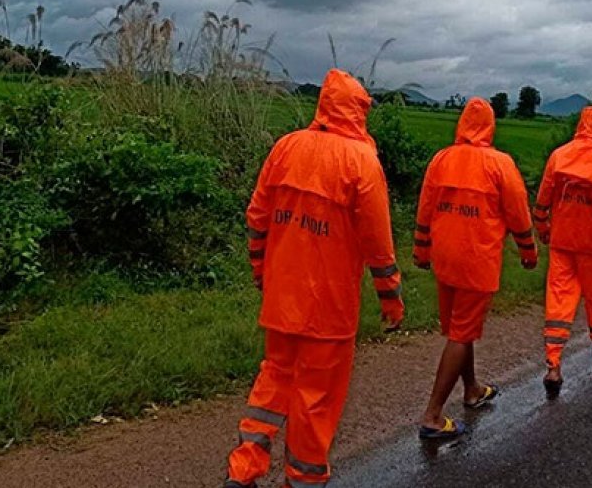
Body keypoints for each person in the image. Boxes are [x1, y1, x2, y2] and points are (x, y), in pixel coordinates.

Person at [224, 69, 404, 488]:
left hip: (282, 297)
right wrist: (390, 297)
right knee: (315, 400)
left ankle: (244, 468)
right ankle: (303, 480)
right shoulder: (362, 162)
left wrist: (259, 272)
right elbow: (378, 244)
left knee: (273, 380)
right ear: (358, 111)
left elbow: (257, 218)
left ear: (323, 104)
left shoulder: (285, 148)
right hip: (329, 308)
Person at [413, 98, 537, 440]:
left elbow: (426, 206)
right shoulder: (499, 164)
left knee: (459, 328)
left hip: (445, 256)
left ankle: (472, 389)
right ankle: (433, 415)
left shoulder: (442, 159)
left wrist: (421, 249)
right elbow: (517, 213)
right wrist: (528, 250)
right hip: (476, 260)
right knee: (461, 333)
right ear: (490, 126)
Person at [533, 106, 592, 398]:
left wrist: (543, 228)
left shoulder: (560, 155)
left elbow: (543, 197)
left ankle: (553, 365)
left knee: (558, 300)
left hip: (562, 241)